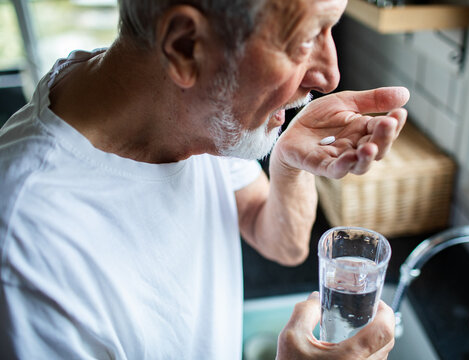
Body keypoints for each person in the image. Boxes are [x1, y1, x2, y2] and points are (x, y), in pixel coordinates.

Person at [0, 0, 409, 358]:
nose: (329, 75)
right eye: (306, 37)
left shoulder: (197, 111)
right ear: (185, 45)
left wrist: (289, 163)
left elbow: (281, 242)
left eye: (330, 28)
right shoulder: (27, 248)